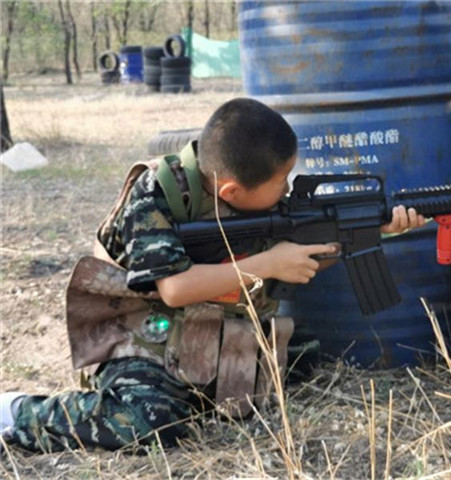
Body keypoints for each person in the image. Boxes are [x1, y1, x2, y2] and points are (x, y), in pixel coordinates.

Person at [0, 98, 425, 454]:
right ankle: (19, 412)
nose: (287, 186)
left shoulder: (259, 199)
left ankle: (197, 390)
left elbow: (296, 259)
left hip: (207, 330)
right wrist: (268, 264)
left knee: (303, 360)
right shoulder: (155, 194)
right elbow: (174, 287)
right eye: (281, 180)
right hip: (138, 336)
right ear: (231, 193)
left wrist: (369, 232)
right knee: (149, 425)